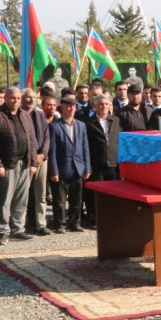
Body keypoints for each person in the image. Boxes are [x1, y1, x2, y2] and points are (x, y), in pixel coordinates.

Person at [0, 87, 36, 242]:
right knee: (5, 199)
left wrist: (33, 162)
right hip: (7, 163)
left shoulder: (24, 115)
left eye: (18, 98)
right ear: (5, 98)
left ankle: (18, 228)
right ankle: (3, 230)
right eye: (12, 98)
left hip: (25, 163)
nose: (16, 101)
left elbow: (31, 139)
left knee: (21, 198)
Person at [48, 95, 91, 232]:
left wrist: (87, 167)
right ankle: (60, 224)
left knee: (76, 198)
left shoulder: (81, 125)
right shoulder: (55, 126)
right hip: (62, 167)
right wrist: (54, 170)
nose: (71, 108)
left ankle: (74, 223)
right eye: (68, 106)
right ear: (62, 108)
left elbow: (85, 147)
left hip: (78, 167)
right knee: (60, 199)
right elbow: (52, 151)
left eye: (73, 106)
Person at [83, 93, 120, 228]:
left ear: (110, 105)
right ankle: (96, 219)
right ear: (95, 106)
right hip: (97, 164)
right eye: (101, 104)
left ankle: (112, 218)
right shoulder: (88, 124)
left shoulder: (116, 121)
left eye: (106, 104)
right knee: (97, 195)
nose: (104, 106)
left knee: (113, 195)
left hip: (113, 164)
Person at [21, 89, 54, 236]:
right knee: (23, 194)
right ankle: (21, 225)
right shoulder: (19, 114)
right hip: (25, 160)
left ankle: (41, 223)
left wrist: (43, 155)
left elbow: (47, 136)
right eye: (27, 97)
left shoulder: (40, 114)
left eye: (33, 97)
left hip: (41, 159)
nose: (30, 99)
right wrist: (32, 157)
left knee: (40, 194)